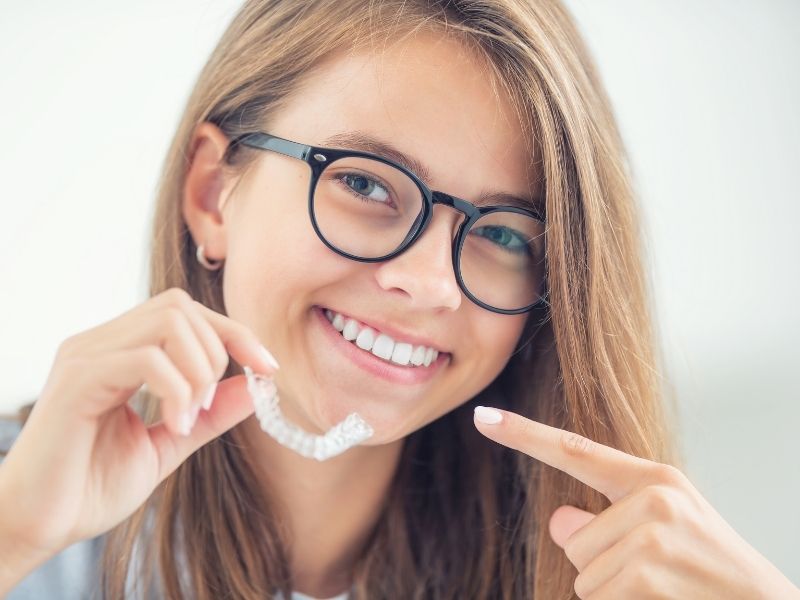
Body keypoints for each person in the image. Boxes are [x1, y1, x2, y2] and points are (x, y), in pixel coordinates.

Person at [1, 0, 798, 598]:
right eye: (364, 184)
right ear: (213, 193)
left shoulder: (602, 574)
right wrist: (16, 530)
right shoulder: (29, 514)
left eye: (506, 234)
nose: (427, 282)